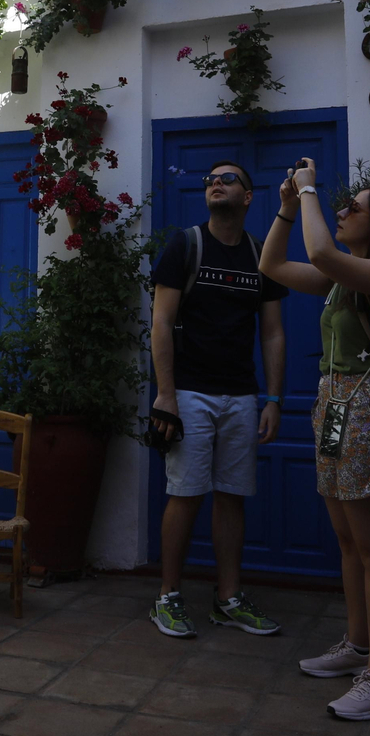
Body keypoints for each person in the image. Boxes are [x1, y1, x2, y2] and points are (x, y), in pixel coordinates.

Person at [260, 159, 370, 722]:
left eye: (355, 207)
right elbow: (273, 264)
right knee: (349, 541)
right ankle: (357, 645)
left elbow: (322, 253)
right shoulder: (344, 278)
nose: (343, 209)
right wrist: (286, 206)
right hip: (333, 407)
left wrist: (309, 190)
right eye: (342, 204)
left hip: (369, 410)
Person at [147, 159, 288, 639]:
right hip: (189, 392)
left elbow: (272, 333)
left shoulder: (260, 254)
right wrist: (165, 394)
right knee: (184, 495)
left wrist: (272, 398)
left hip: (242, 395)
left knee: (232, 497)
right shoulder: (185, 245)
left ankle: (228, 598)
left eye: (228, 179)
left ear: (248, 197)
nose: (215, 184)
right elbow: (161, 323)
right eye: (210, 179)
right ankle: (167, 596)